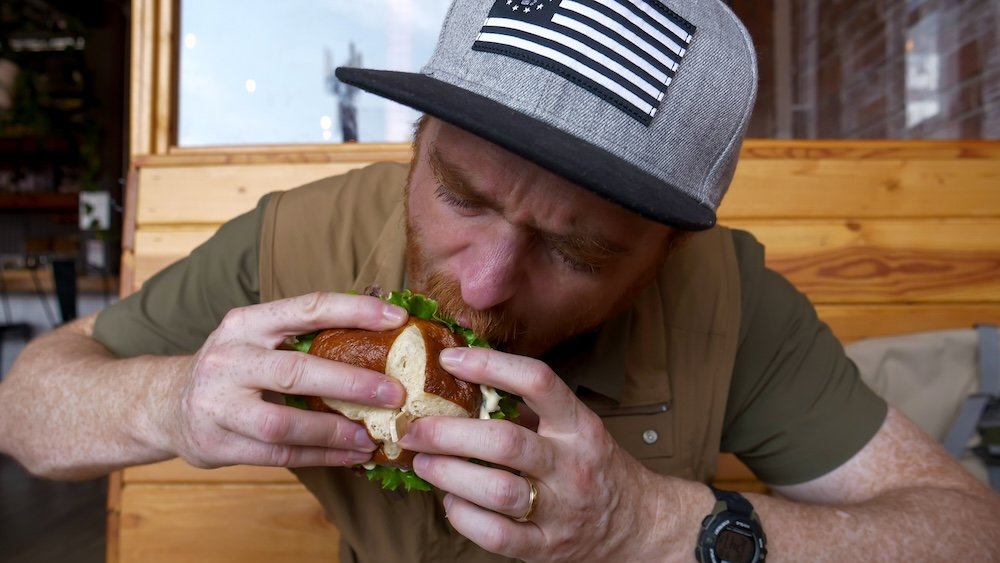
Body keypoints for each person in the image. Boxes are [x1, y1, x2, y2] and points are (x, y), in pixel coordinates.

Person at [2, 0, 998, 561]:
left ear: (666, 250)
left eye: (577, 249)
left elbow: (964, 529)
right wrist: (175, 399)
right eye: (461, 193)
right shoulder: (299, 243)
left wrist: (651, 524)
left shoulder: (727, 301)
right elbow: (29, 412)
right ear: (418, 140)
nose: (479, 286)